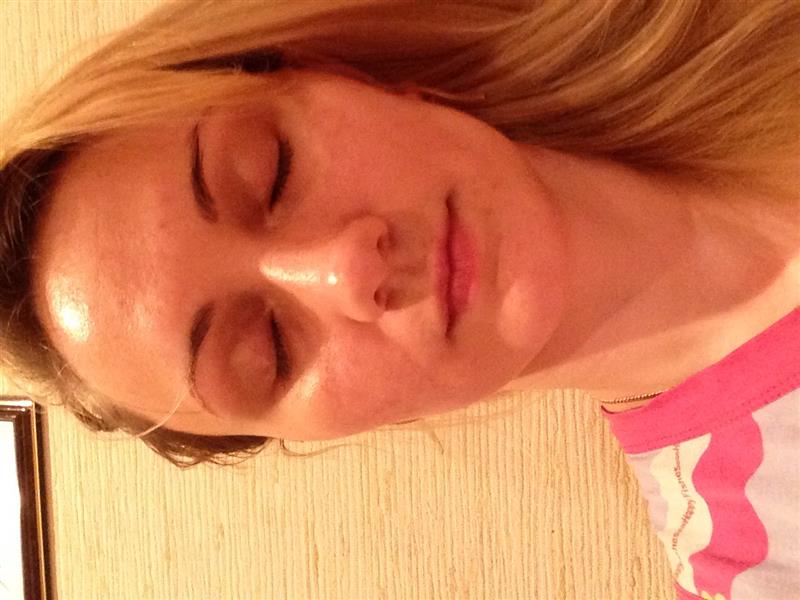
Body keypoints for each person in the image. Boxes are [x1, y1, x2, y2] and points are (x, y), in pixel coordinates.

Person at [1, 1, 797, 597]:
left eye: (271, 170)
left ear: (339, 78)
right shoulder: (758, 559)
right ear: (332, 428)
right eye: (268, 353)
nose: (345, 271)